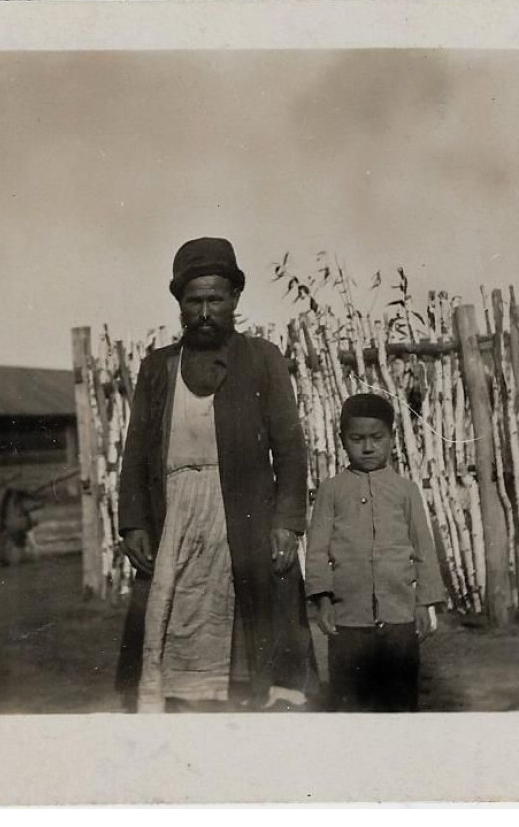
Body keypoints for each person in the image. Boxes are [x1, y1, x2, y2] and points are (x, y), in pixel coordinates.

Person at [115, 237, 318, 712]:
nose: (205, 311)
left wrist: (287, 522)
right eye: (194, 301)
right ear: (179, 306)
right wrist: (134, 523)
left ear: (235, 300)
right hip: (175, 517)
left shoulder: (262, 359)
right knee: (172, 623)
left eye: (216, 299)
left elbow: (290, 449)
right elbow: (136, 452)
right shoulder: (157, 368)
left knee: (251, 639)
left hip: (244, 513)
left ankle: (252, 710)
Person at [304, 392, 447, 712]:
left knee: (399, 700)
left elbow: (424, 549)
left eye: (377, 438)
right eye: (357, 438)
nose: (368, 447)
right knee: (350, 702)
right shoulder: (330, 491)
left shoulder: (406, 491)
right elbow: (316, 551)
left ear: (393, 438)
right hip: (347, 619)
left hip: (399, 616)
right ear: (342, 440)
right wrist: (322, 600)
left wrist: (424, 603)